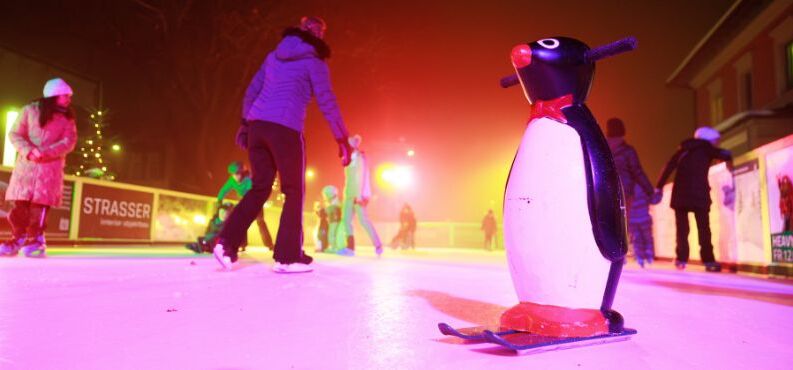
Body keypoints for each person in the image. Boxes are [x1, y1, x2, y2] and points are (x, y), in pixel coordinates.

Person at [214, 16, 352, 273]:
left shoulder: (273, 56)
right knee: (293, 190)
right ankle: (287, 257)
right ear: (318, 34)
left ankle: (226, 243)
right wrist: (342, 138)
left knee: (259, 187)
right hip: (285, 129)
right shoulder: (314, 62)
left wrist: (245, 123)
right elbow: (327, 101)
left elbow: (251, 91)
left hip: (257, 127)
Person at [0, 78, 77, 258]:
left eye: (69, 96)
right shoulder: (29, 111)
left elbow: (69, 141)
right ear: (54, 95)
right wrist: (29, 151)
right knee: (20, 207)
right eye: (65, 95)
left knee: (39, 208)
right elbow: (15, 133)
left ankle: (37, 240)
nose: (68, 99)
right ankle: (18, 238)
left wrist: (46, 152)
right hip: (26, 168)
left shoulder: (67, 119)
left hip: (49, 170)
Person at [655, 126, 733, 272]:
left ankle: (681, 259)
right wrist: (728, 156)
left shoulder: (683, 150)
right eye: (716, 140)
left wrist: (658, 187)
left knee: (682, 229)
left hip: (681, 195)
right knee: (704, 229)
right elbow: (725, 154)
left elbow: (668, 167)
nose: (717, 143)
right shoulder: (707, 148)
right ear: (709, 139)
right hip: (699, 195)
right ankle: (709, 261)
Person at [605, 118, 659, 267]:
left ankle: (609, 254)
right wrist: (650, 191)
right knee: (623, 224)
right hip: (625, 192)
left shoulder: (603, 148)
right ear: (623, 131)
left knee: (609, 223)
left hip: (606, 191)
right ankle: (620, 256)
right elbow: (637, 172)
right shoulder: (628, 151)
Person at [338, 135, 383, 256]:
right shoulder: (348, 158)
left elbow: (361, 176)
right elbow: (349, 178)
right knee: (346, 220)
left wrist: (359, 195)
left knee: (363, 220)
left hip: (358, 193)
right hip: (348, 193)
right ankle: (350, 248)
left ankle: (378, 244)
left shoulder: (360, 157)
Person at [217, 160, 274, 250]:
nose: (236, 177)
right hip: (244, 202)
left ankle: (269, 244)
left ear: (242, 172)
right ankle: (243, 244)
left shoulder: (248, 179)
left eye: (237, 173)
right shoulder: (232, 181)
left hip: (256, 201)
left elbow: (251, 192)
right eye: (233, 174)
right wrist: (219, 201)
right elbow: (224, 190)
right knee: (242, 222)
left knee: (260, 222)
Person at [321, 185, 343, 252]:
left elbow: (333, 211)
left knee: (332, 234)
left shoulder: (334, 203)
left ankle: (334, 247)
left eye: (325, 195)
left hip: (334, 221)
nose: (325, 197)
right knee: (332, 234)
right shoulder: (335, 202)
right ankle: (334, 247)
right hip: (333, 221)